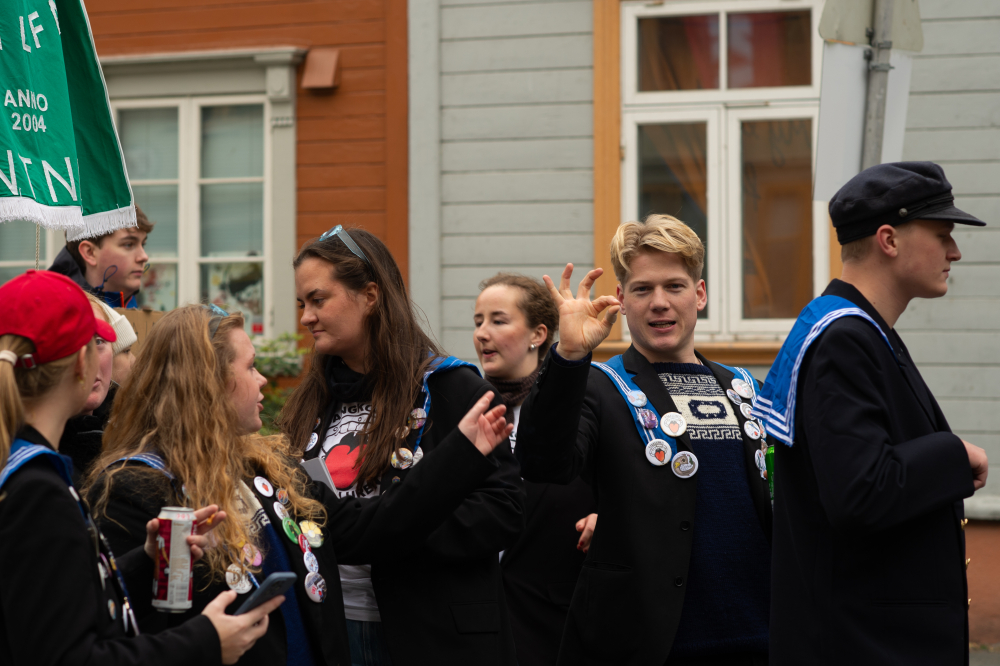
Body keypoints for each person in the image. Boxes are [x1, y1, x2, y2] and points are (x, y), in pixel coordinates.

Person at [87, 304, 514, 666]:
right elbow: (124, 628)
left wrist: (461, 451)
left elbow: (375, 526)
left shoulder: (266, 468)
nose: (262, 380)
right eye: (250, 367)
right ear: (207, 383)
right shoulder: (136, 487)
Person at [751, 161, 989, 666]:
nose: (954, 251)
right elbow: (860, 493)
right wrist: (952, 454)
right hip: (865, 644)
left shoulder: (858, 331)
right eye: (942, 234)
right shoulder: (845, 339)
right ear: (889, 239)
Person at [515, 215, 773, 666]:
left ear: (699, 294)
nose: (659, 303)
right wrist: (569, 355)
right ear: (620, 299)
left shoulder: (745, 387)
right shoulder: (599, 384)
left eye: (674, 286)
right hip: (649, 645)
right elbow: (542, 462)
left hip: (760, 635)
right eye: (642, 289)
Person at [0, 270, 283, 666]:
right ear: (81, 364)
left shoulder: (26, 466)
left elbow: (64, 600)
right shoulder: (38, 490)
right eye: (98, 344)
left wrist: (145, 560)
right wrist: (205, 641)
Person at [279, 225, 526, 666]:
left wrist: (398, 530)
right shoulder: (309, 399)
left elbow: (504, 509)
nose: (306, 318)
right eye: (302, 304)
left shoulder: (451, 387)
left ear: (370, 295)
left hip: (432, 633)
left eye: (318, 300)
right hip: (335, 626)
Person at [473, 272, 597, 666]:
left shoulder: (581, 403)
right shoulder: (462, 408)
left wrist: (607, 518)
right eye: (478, 321)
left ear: (538, 334)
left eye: (498, 320)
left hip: (553, 621)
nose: (482, 333)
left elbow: (620, 482)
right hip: (474, 622)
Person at [49, 206, 154, 308]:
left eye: (143, 244)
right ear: (90, 253)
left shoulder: (134, 304)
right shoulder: (58, 313)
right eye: (128, 244)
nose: (144, 257)